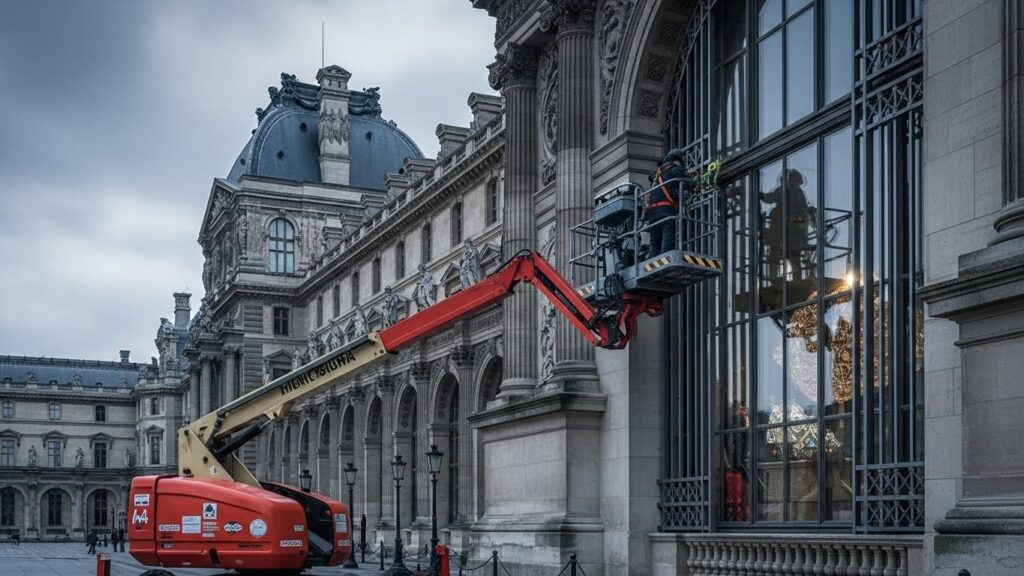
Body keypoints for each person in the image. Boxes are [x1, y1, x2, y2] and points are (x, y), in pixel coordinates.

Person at [645, 149, 695, 256]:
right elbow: (690, 184)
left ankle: (653, 262)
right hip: (665, 210)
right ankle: (665, 259)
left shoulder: (658, 174)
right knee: (667, 236)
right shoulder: (676, 169)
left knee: (655, 241)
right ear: (678, 159)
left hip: (653, 213)